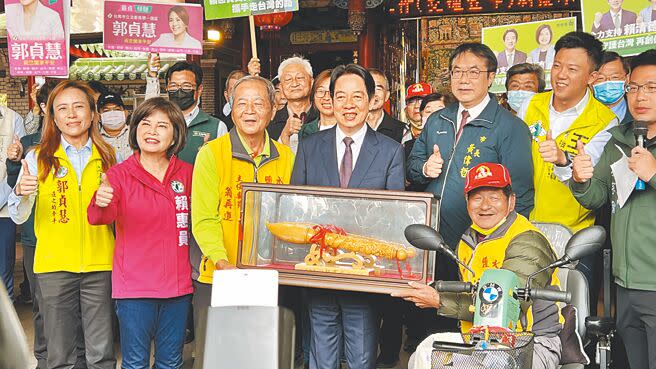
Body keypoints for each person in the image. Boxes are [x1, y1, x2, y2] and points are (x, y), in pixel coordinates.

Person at [291, 64, 404, 369]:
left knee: (361, 348)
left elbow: (393, 216)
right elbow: (296, 205)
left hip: (363, 270)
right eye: (340, 96)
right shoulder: (309, 146)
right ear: (330, 100)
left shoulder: (390, 151)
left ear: (371, 99)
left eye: (357, 97)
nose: (348, 105)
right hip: (319, 267)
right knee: (321, 346)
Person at [396, 162, 563, 369]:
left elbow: (504, 306)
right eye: (477, 198)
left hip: (529, 342)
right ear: (467, 202)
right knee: (423, 357)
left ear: (511, 201)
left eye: (494, 197)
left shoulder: (527, 240)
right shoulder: (468, 240)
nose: (485, 206)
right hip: (480, 341)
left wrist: (439, 301)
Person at [8, 80, 117, 369]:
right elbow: (19, 215)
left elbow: (121, 214)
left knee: (101, 353)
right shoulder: (37, 157)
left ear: (93, 114)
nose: (72, 114)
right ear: (53, 117)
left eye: (79, 107)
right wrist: (21, 192)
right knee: (60, 356)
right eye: (63, 108)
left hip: (100, 265)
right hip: (53, 267)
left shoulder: (109, 157)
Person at [191, 75, 295, 369]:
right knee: (219, 357)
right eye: (242, 103)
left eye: (259, 103)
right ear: (230, 109)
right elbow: (203, 217)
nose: (250, 111)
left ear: (273, 110)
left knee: (262, 356)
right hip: (219, 275)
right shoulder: (211, 153)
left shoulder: (286, 156)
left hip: (268, 276)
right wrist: (222, 262)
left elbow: (292, 215)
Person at [87, 97, 192, 369]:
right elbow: (99, 217)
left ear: (175, 135)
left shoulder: (188, 174)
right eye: (145, 124)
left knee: (171, 362)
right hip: (134, 288)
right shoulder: (119, 174)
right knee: (135, 363)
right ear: (134, 130)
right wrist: (101, 200)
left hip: (178, 286)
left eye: (161, 126)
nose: (151, 131)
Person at [570, 49, 656, 369]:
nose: (639, 96)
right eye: (633, 87)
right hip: (625, 284)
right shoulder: (618, 140)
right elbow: (597, 197)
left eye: (651, 87)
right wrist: (581, 179)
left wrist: (653, 173)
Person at [407, 42, 534, 250]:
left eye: (473, 72)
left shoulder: (510, 127)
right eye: (457, 72)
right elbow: (412, 167)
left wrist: (502, 242)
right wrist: (425, 169)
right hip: (431, 236)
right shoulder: (438, 120)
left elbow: (521, 194)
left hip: (481, 241)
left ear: (491, 77)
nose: (464, 80)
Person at [517, 31, 617, 233]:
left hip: (571, 232)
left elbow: (589, 181)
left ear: (591, 77)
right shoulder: (530, 105)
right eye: (556, 66)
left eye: (572, 69)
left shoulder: (605, 122)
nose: (561, 75)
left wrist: (563, 159)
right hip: (523, 224)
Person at [146, 59, 228, 164]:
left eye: (186, 86)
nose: (179, 91)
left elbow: (225, 166)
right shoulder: (158, 123)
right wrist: (152, 76)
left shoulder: (217, 127)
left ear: (199, 89)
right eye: (173, 86)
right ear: (167, 88)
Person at [1, 104, 25, 302]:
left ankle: (5, 326)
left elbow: (19, 164)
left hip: (4, 208)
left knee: (3, 267)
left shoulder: (12, 118)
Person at [269, 56, 318, 150]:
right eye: (288, 79)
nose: (294, 84)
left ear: (311, 82)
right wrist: (285, 135)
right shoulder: (270, 122)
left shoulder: (322, 118)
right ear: (281, 85)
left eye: (300, 77)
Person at [404, 92, 449, 192]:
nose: (434, 116)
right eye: (428, 111)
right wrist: (424, 169)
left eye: (440, 110)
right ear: (421, 116)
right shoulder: (408, 146)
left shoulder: (456, 140)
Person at [592, 51, 633, 125]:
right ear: (590, 80)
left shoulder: (639, 113)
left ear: (627, 79)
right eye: (600, 78)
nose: (607, 83)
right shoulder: (577, 115)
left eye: (614, 77)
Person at [367, 68, 404, 143]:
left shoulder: (401, 130)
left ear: (387, 96)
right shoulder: (350, 126)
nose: (374, 93)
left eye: (378, 88)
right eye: (369, 87)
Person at [299, 69, 336, 139]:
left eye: (331, 92)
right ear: (314, 95)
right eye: (321, 91)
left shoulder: (348, 128)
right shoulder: (305, 130)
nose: (326, 97)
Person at [98, 92, 132, 159]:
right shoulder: (96, 139)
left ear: (125, 113)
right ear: (99, 117)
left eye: (117, 109)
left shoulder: (136, 134)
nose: (112, 113)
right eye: (106, 110)